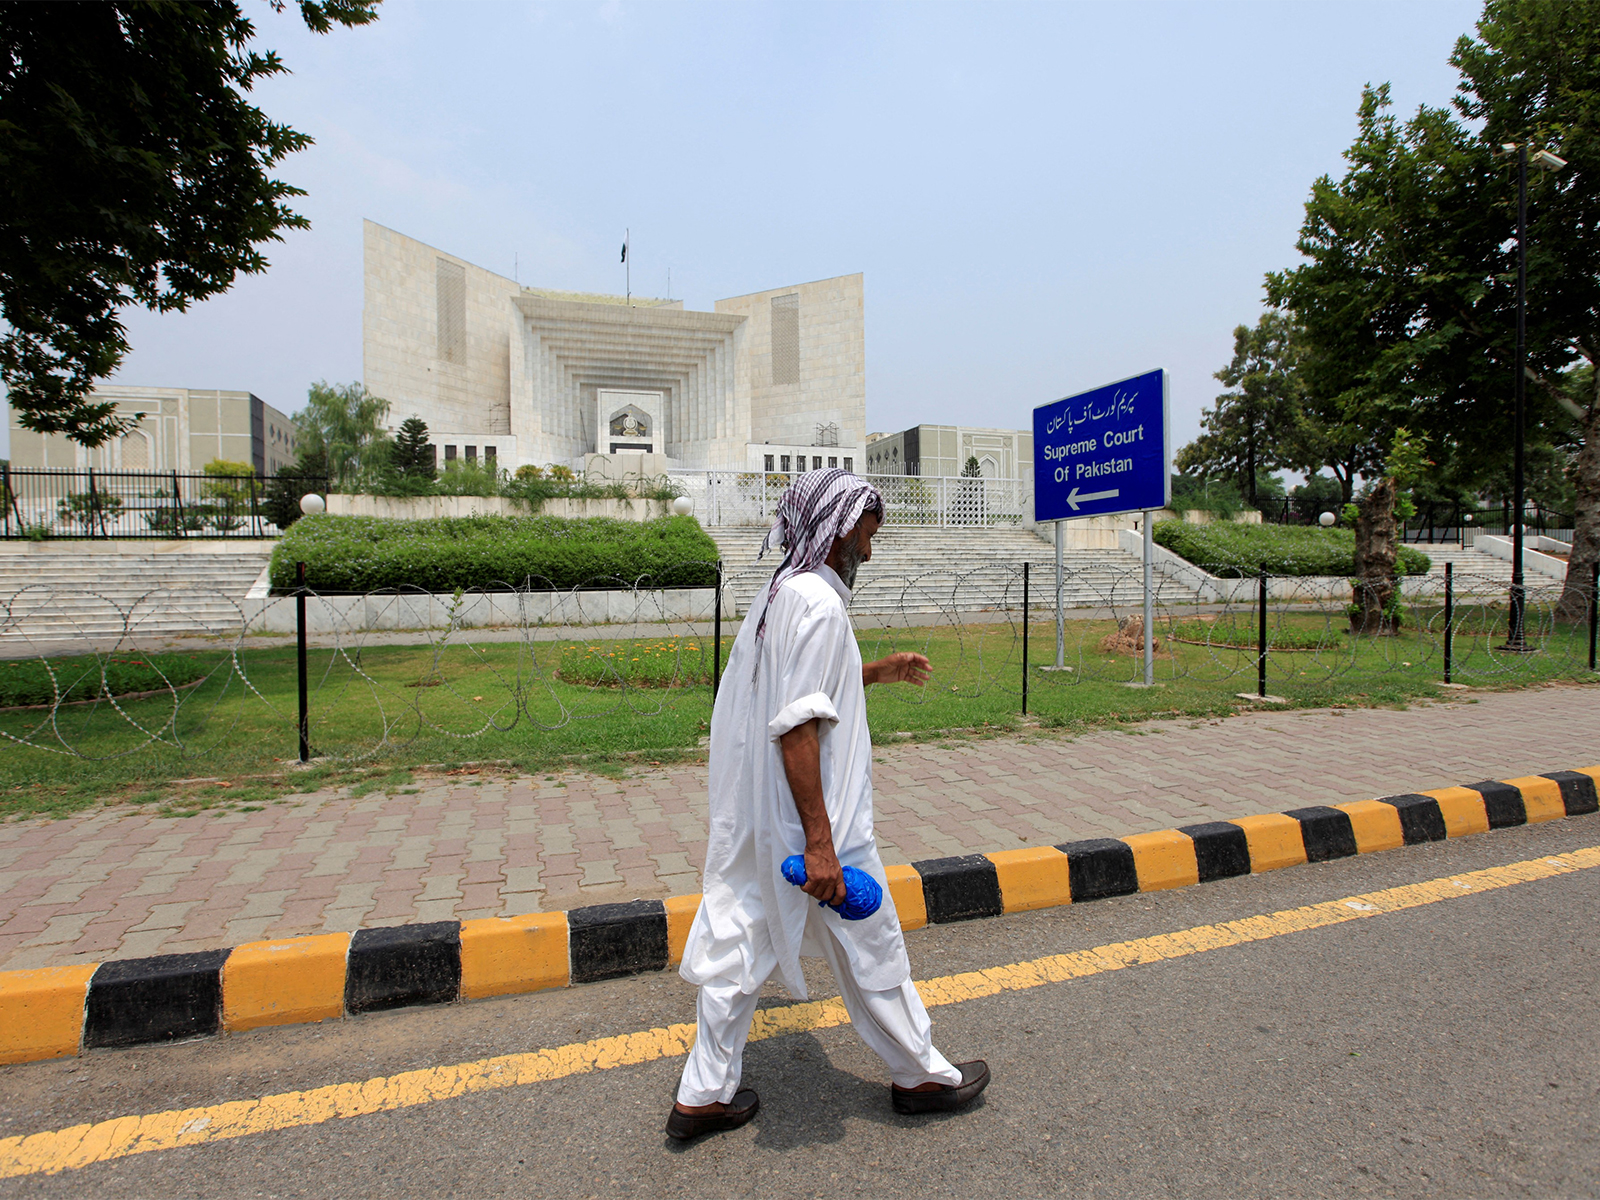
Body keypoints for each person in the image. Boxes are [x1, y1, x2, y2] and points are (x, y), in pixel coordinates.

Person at [666, 468, 989, 1141]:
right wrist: (820, 841)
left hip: (765, 815)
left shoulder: (782, 593)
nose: (870, 550)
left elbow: (794, 687)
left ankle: (703, 1091)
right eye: (868, 533)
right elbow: (797, 723)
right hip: (819, 820)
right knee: (873, 943)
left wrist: (875, 671)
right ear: (840, 525)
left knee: (741, 939)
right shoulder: (817, 602)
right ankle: (920, 1074)